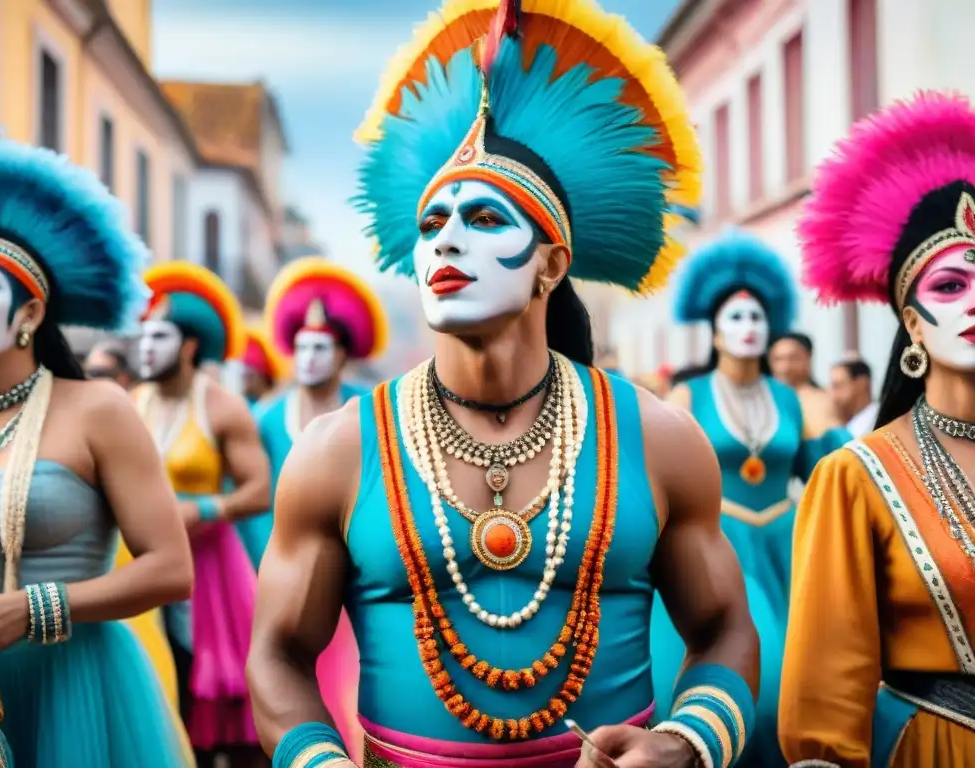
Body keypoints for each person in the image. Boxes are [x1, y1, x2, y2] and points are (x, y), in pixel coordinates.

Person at [248, 2, 760, 768]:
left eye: (485, 217)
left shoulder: (656, 438)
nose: (446, 238)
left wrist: (687, 743)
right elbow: (279, 655)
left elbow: (725, 629)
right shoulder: (336, 453)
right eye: (431, 226)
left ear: (551, 266)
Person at [0, 118, 195, 765]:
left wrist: (35, 608)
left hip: (72, 692)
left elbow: (172, 569)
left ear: (29, 312)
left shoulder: (98, 410)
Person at [780, 91, 975, 766]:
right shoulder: (856, 477)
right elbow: (824, 706)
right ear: (912, 323)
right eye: (950, 286)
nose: (974, 300)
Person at [654, 228, 850, 765]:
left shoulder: (791, 399)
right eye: (736, 317)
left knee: (803, 685)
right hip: (720, 548)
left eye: (758, 317)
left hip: (789, 551)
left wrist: (831, 427)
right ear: (714, 331)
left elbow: (833, 472)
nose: (748, 327)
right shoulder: (687, 395)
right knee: (757, 687)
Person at [130, 261, 272, 768]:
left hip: (212, 575)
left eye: (160, 335)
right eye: (142, 334)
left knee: (223, 711)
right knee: (161, 686)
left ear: (190, 346)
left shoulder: (222, 406)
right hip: (143, 566)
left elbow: (260, 490)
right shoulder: (133, 401)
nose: (145, 346)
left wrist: (204, 508)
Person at [250, 257, 388, 761]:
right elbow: (252, 500)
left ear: (342, 354)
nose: (308, 358)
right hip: (277, 573)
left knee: (351, 688)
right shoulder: (263, 418)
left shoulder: (369, 414)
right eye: (302, 347)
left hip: (351, 576)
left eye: (321, 348)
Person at [769, 332, 842, 430]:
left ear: (808, 358)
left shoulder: (826, 400)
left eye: (793, 358)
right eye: (778, 359)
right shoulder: (764, 400)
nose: (785, 367)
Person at [830, 358, 878, 437]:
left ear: (861, 384)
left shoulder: (878, 423)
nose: (832, 394)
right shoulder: (847, 425)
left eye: (838, 386)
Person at [241, 327, 285, 407]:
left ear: (262, 375)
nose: (243, 374)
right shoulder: (246, 405)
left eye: (249, 374)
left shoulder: (280, 406)